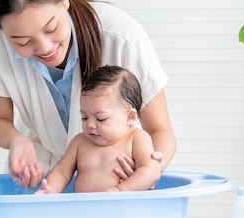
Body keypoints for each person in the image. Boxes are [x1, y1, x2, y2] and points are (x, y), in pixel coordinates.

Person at [0, 0, 176, 188]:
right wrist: (17, 141)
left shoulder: (120, 34)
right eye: (22, 42)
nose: (44, 48)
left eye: (51, 28)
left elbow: (160, 130)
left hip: (115, 175)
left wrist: (146, 170)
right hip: (41, 172)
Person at [36, 65, 158, 193]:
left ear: (129, 116)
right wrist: (49, 189)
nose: (90, 125)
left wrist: (120, 190)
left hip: (122, 209)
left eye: (101, 119)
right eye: (84, 117)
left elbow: (151, 171)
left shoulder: (136, 139)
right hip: (83, 210)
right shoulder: (79, 142)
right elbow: (61, 172)